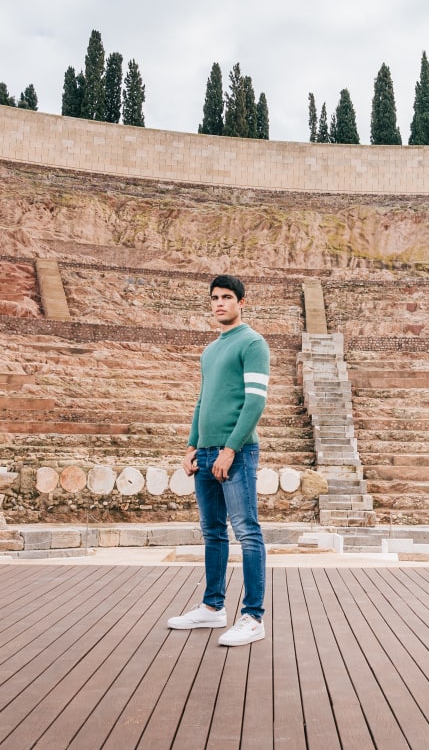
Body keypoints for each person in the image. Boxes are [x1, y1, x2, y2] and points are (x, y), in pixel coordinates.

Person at [167, 274, 270, 646]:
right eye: (214, 298)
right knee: (212, 532)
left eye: (227, 297)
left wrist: (230, 448)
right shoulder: (210, 350)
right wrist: (192, 444)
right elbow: (202, 400)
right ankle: (213, 608)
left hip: (236, 452)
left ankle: (253, 617)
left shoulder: (253, 343)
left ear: (242, 302)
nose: (219, 303)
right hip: (206, 452)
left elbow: (255, 401)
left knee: (247, 532)